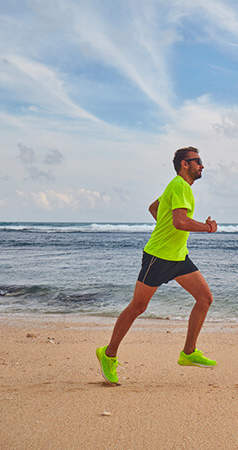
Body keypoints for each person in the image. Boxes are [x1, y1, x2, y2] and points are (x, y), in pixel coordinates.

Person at [96, 147, 218, 385]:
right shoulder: (180, 186)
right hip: (159, 257)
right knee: (138, 307)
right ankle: (108, 354)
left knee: (205, 299)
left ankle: (189, 352)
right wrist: (208, 228)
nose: (202, 166)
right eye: (198, 161)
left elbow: (154, 208)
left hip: (178, 256)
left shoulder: (176, 187)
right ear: (185, 164)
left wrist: (165, 227)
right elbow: (180, 221)